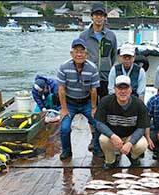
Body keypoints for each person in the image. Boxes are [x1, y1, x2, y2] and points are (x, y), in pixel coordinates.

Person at [78, 3, 118, 155]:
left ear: (105, 17)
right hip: (89, 77)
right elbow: (79, 56)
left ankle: (107, 135)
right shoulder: (84, 36)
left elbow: (113, 55)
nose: (99, 17)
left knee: (106, 107)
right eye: (96, 14)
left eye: (101, 15)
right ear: (92, 16)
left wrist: (108, 67)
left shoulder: (111, 36)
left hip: (106, 77)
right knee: (91, 109)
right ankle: (94, 136)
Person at [56, 38, 100, 161]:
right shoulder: (63, 67)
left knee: (97, 124)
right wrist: (64, 109)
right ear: (71, 53)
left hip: (86, 101)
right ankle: (67, 151)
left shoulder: (92, 68)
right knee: (64, 128)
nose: (79, 54)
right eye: (76, 51)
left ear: (86, 54)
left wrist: (93, 107)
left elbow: (93, 90)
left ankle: (97, 148)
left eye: (82, 51)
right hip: (70, 102)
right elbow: (61, 90)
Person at [96, 75, 150, 169]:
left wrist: (130, 143)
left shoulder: (139, 104)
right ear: (114, 89)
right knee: (103, 139)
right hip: (113, 135)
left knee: (142, 144)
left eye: (126, 88)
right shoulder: (105, 101)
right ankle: (111, 161)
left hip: (130, 136)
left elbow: (141, 128)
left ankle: (133, 157)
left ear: (131, 89)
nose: (123, 91)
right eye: (119, 88)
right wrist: (112, 136)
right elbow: (100, 124)